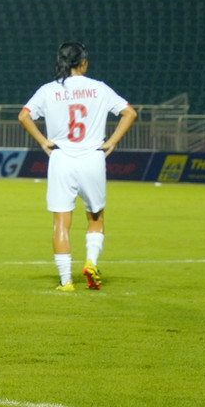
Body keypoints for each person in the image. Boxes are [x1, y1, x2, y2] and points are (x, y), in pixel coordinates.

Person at [19, 41, 137, 292]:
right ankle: (91, 262)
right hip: (93, 157)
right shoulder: (99, 88)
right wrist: (112, 142)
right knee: (95, 217)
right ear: (83, 62)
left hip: (61, 158)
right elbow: (129, 113)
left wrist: (42, 141)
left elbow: (24, 115)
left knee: (61, 222)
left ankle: (66, 282)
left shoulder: (48, 90)